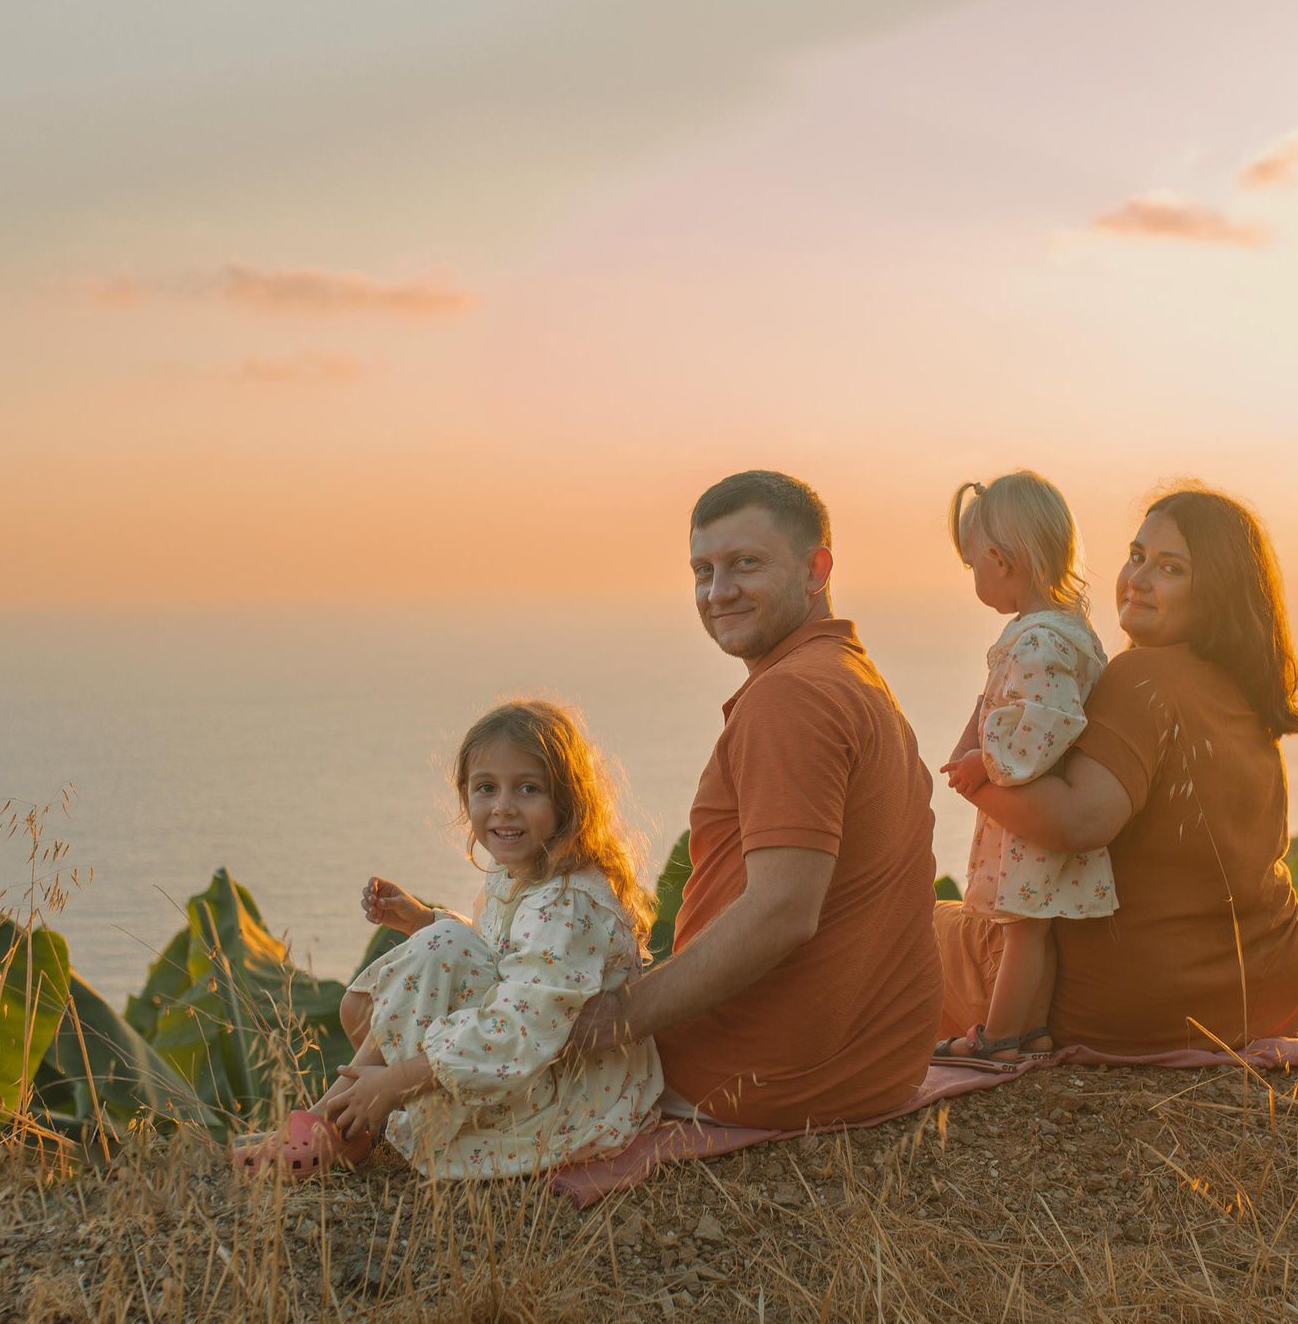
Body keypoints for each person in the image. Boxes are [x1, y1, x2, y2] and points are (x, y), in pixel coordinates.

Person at [563, 471, 942, 1127]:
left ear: (815, 569)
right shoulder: (850, 673)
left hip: (757, 1080)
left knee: (418, 1003)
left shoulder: (789, 696)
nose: (718, 591)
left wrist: (618, 1019)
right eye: (702, 570)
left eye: (745, 564)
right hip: (874, 1071)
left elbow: (783, 910)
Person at [938, 483, 1298, 1054]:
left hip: (1146, 1003)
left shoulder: (1141, 679)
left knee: (923, 930)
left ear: (1216, 592)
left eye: (1169, 568)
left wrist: (978, 778)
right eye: (1137, 557)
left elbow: (1077, 823)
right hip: (1273, 988)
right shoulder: (1244, 689)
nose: (1137, 580)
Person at [239, 700, 661, 1179]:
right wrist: (422, 920)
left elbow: (519, 1029)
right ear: (465, 798)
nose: (503, 806)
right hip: (537, 1065)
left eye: (528, 788)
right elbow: (500, 953)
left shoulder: (568, 903)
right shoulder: (522, 874)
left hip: (579, 1100)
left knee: (443, 947)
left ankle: (328, 1127)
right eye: (486, 788)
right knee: (442, 940)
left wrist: (398, 1082)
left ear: (568, 801)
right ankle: (331, 1125)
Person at [934, 472, 1118, 1067]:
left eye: (973, 566)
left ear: (1002, 560)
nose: (975, 580)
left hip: (1032, 816)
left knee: (1021, 931)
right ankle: (1033, 1031)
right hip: (1042, 810)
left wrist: (985, 764)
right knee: (1037, 928)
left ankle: (999, 1036)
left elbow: (1048, 724)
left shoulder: (1039, 641)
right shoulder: (1068, 629)